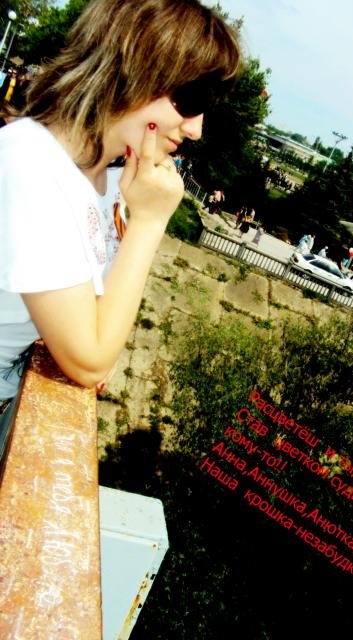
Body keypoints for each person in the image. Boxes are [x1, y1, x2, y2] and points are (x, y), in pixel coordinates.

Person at [0, 0, 241, 459]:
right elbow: (91, 359)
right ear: (134, 73)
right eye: (193, 100)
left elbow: (99, 324)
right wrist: (150, 222)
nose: (196, 129)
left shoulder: (106, 179)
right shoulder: (31, 166)